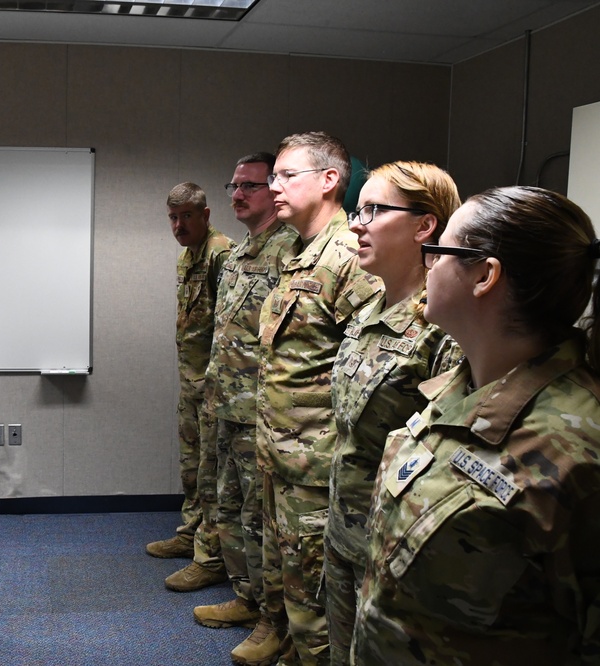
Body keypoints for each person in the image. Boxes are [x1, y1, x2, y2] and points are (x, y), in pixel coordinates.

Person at [352, 186, 600, 664]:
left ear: (485, 276)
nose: (429, 264)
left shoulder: (578, 451)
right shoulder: (457, 389)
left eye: (440, 250)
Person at [324, 161, 462, 665]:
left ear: (425, 225)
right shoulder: (368, 313)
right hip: (343, 529)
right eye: (357, 211)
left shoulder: (444, 327)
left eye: (374, 210)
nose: (356, 224)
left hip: (394, 554)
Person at [253, 131, 383, 665]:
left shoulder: (349, 256)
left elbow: (370, 369)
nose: (274, 187)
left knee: (318, 603)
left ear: (331, 180)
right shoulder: (297, 251)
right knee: (293, 588)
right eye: (272, 177)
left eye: (287, 176)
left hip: (318, 466)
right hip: (282, 454)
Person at [192, 153, 301, 664]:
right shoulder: (235, 255)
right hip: (225, 405)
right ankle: (246, 596)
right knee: (230, 510)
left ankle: (272, 621)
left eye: (249, 186)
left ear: (274, 191)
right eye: (233, 185)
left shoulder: (290, 253)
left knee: (264, 522)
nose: (236, 194)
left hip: (263, 412)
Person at [147, 183, 234, 593]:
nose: (179, 225)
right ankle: (190, 533)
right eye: (173, 217)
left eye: (186, 216)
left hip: (215, 386)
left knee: (211, 471)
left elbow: (228, 326)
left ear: (205, 214)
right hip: (191, 381)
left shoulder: (222, 254)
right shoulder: (187, 257)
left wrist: (215, 383)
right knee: (191, 466)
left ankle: (209, 556)